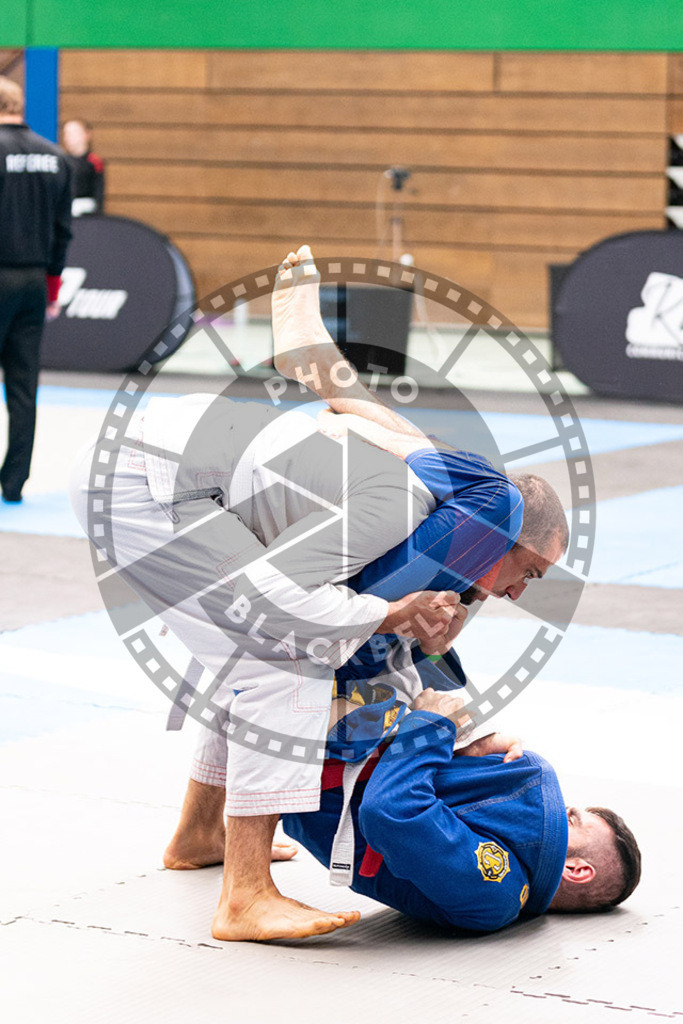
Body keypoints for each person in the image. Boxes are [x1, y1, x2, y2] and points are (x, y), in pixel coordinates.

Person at [281, 688, 642, 932]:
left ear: (576, 869)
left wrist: (432, 726)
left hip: (309, 761)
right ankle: (219, 837)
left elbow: (392, 812)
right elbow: (444, 790)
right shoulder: (506, 875)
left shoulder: (496, 894)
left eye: (570, 819)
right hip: (324, 764)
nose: (558, 810)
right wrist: (469, 740)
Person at [0, 77, 72, 503]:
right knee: (23, 387)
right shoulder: (55, 157)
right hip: (32, 282)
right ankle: (13, 482)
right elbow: (64, 231)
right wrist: (52, 288)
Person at [61, 119, 105, 215]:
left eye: (73, 133)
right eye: (66, 134)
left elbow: (99, 192)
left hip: (88, 211)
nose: (68, 137)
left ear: (86, 134)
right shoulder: (62, 162)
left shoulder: (94, 161)